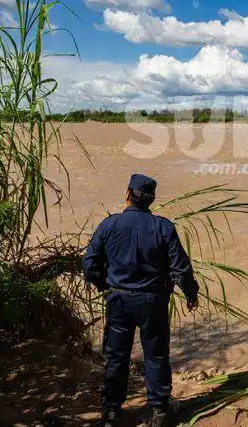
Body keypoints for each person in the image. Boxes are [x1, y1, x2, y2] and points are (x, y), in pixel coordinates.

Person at [83, 174, 200, 427]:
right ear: (152, 200)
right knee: (156, 354)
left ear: (127, 195)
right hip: (152, 301)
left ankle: (112, 413)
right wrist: (191, 294)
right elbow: (181, 268)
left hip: (119, 301)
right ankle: (160, 411)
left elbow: (90, 264)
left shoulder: (109, 225)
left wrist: (106, 284)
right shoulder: (163, 227)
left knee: (116, 356)